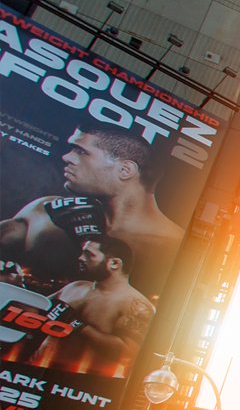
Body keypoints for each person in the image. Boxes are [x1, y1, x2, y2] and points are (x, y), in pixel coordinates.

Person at [0, 123, 183, 292]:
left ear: (125, 170)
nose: (67, 157)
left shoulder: (177, 249)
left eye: (81, 151)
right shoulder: (45, 211)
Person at [7, 237, 153, 377]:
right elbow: (36, 312)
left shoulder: (137, 305)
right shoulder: (75, 287)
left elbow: (129, 355)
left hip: (79, 387)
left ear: (114, 263)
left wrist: (78, 326)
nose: (81, 258)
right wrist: (16, 287)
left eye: (89, 254)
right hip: (33, 373)